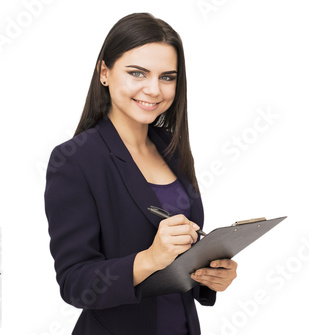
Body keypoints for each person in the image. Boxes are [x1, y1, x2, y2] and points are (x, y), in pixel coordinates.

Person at [44, 12, 237, 335]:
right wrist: (149, 258)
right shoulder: (74, 160)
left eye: (167, 77)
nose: (154, 90)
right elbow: (75, 284)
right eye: (137, 73)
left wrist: (210, 276)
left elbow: (181, 258)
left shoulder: (171, 149)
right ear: (104, 72)